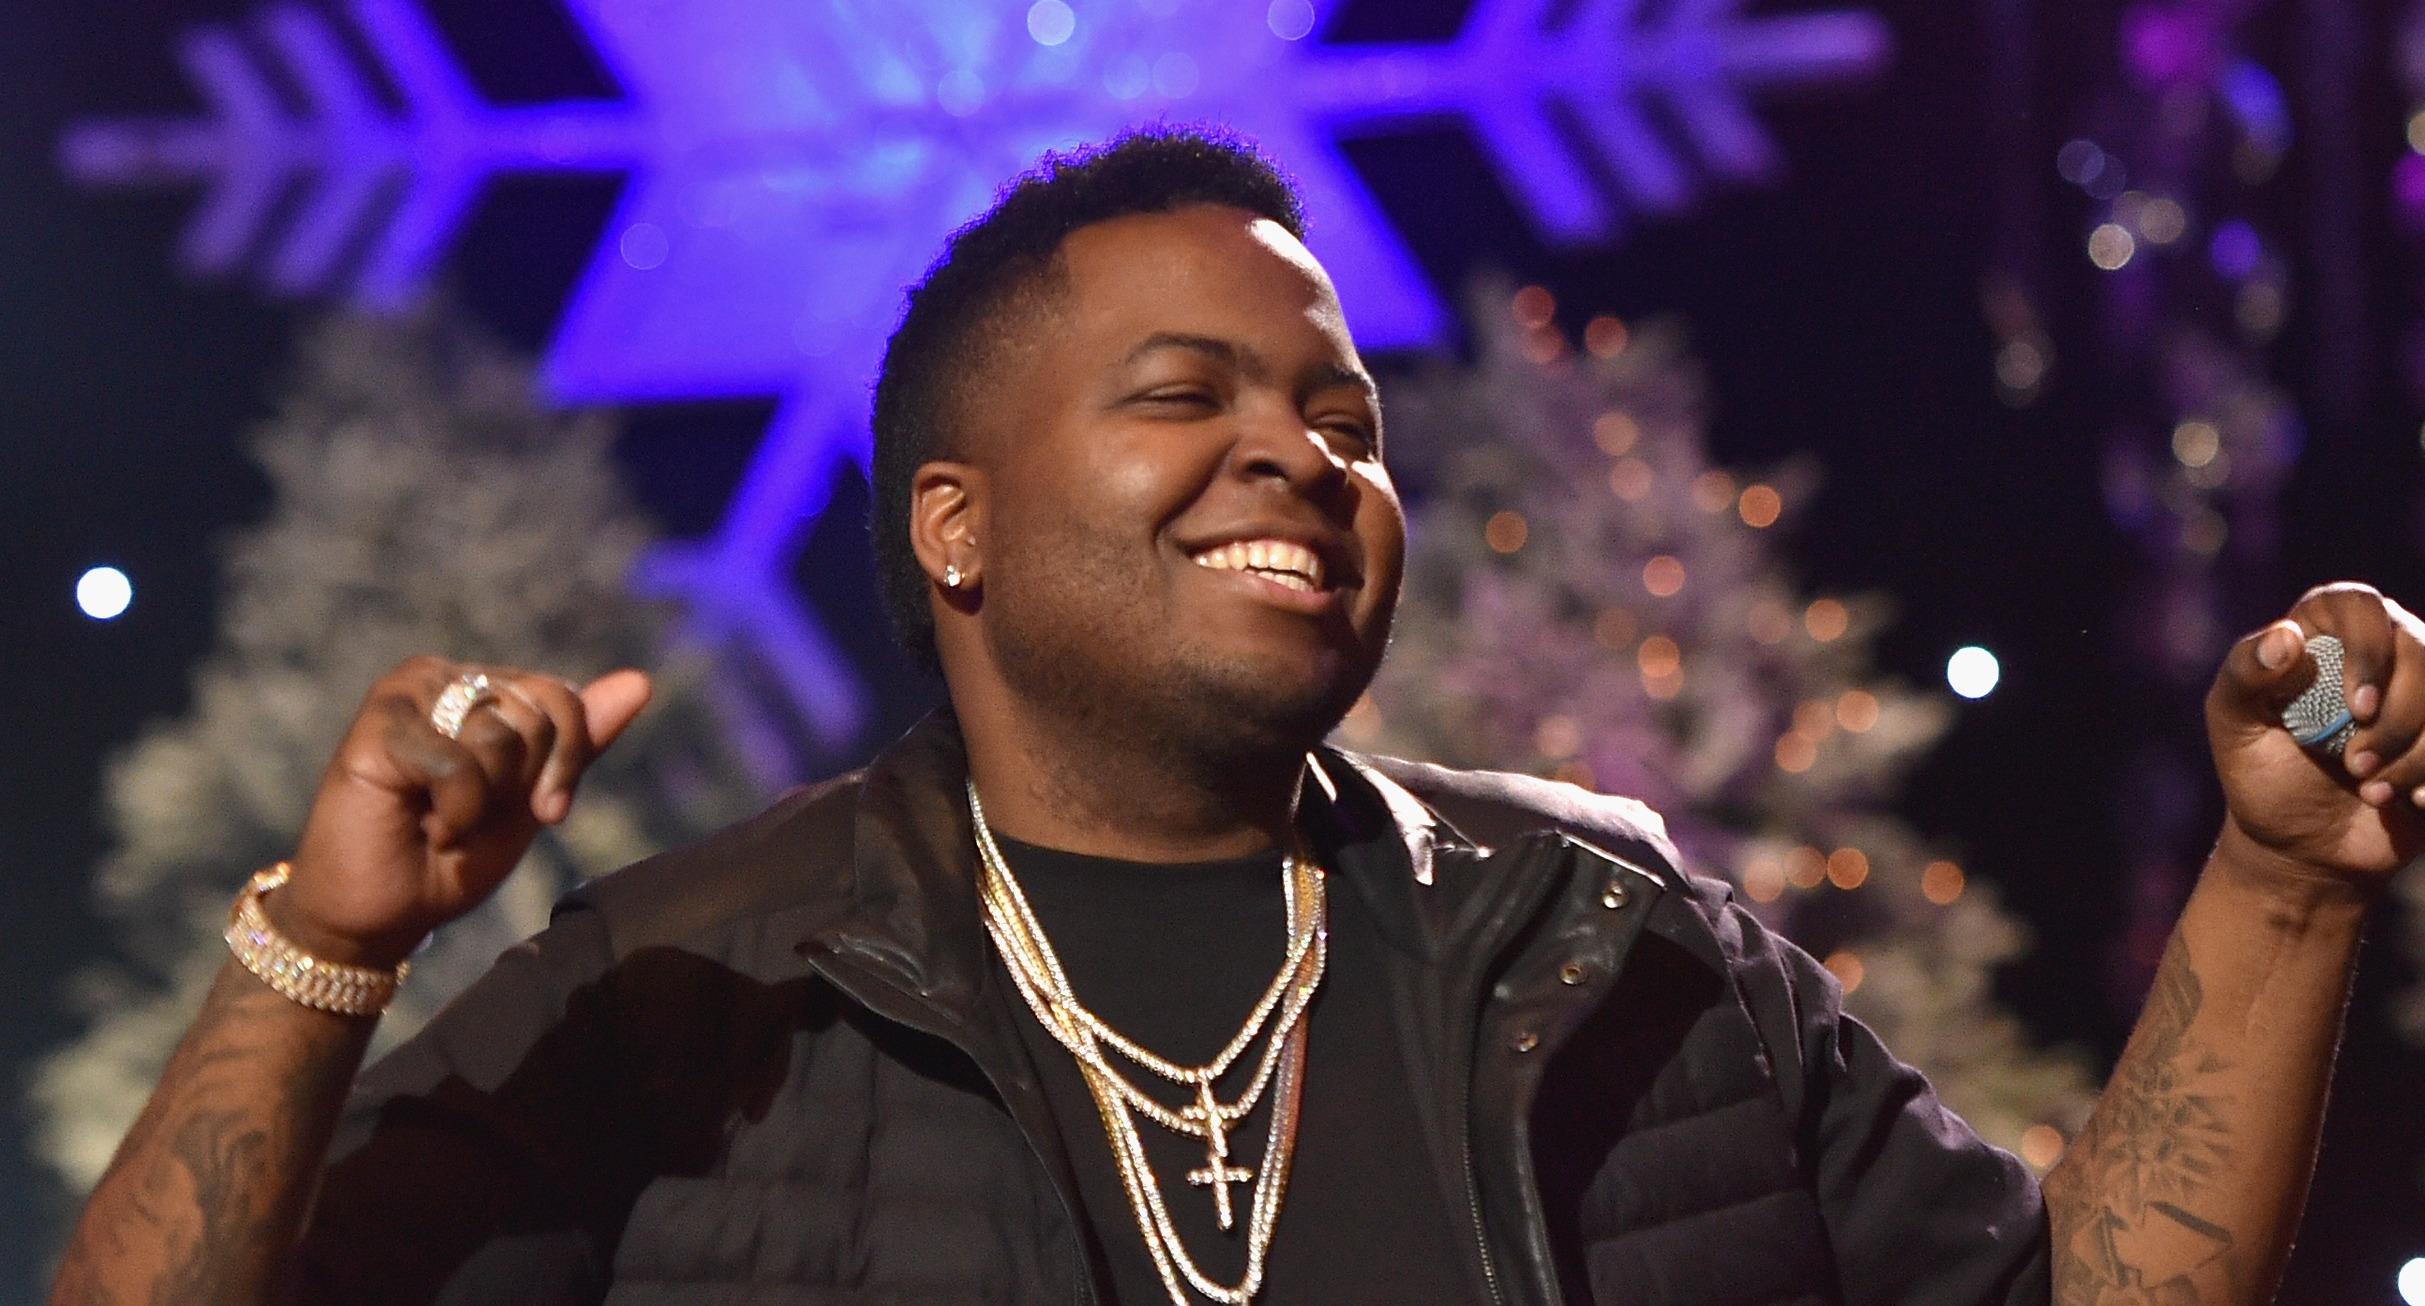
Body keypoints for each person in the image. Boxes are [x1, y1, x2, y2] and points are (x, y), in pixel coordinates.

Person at [48, 128, 2423, 1306]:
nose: (1307, 450)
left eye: (1347, 411)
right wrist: (319, 946)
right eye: (1186, 393)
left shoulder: (1617, 935)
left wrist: (2285, 876)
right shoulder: (696, 984)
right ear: (952, 525)